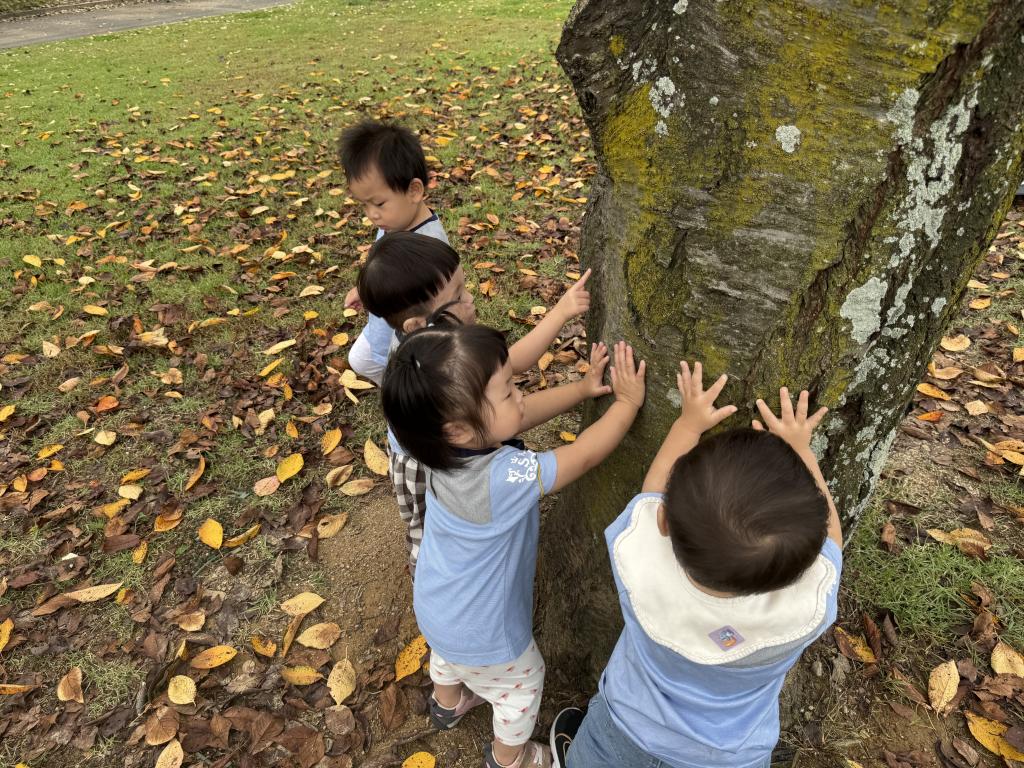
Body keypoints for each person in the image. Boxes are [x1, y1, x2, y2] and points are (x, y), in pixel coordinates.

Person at [550, 364, 842, 768]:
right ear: (805, 563)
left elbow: (651, 491)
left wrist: (688, 426)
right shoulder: (807, 611)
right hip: (729, 758)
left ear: (664, 522)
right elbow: (833, 542)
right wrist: (802, 450)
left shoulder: (639, 568)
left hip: (621, 736)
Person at [382, 327, 647, 768]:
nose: (520, 397)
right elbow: (582, 455)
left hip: (434, 603)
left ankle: (447, 704)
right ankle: (511, 758)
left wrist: (582, 389)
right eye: (507, 393)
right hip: (487, 633)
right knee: (522, 686)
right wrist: (627, 404)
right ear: (460, 429)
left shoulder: (432, 448)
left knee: (447, 656)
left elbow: (516, 420)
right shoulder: (505, 478)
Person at [358, 230, 593, 577]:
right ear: (417, 324)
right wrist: (560, 315)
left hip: (446, 448)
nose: (470, 299)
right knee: (430, 532)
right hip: (420, 464)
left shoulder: (433, 342)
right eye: (457, 295)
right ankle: (439, 582)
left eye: (464, 286)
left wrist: (560, 314)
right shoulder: (437, 366)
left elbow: (511, 368)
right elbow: (515, 361)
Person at [338, 119, 449, 385]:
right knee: (360, 360)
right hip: (381, 326)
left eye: (378, 203)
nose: (372, 215)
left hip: (406, 344)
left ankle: (399, 392)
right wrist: (365, 290)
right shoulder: (395, 220)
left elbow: (439, 310)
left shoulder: (427, 247)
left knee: (404, 399)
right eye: (364, 205)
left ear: (414, 190)